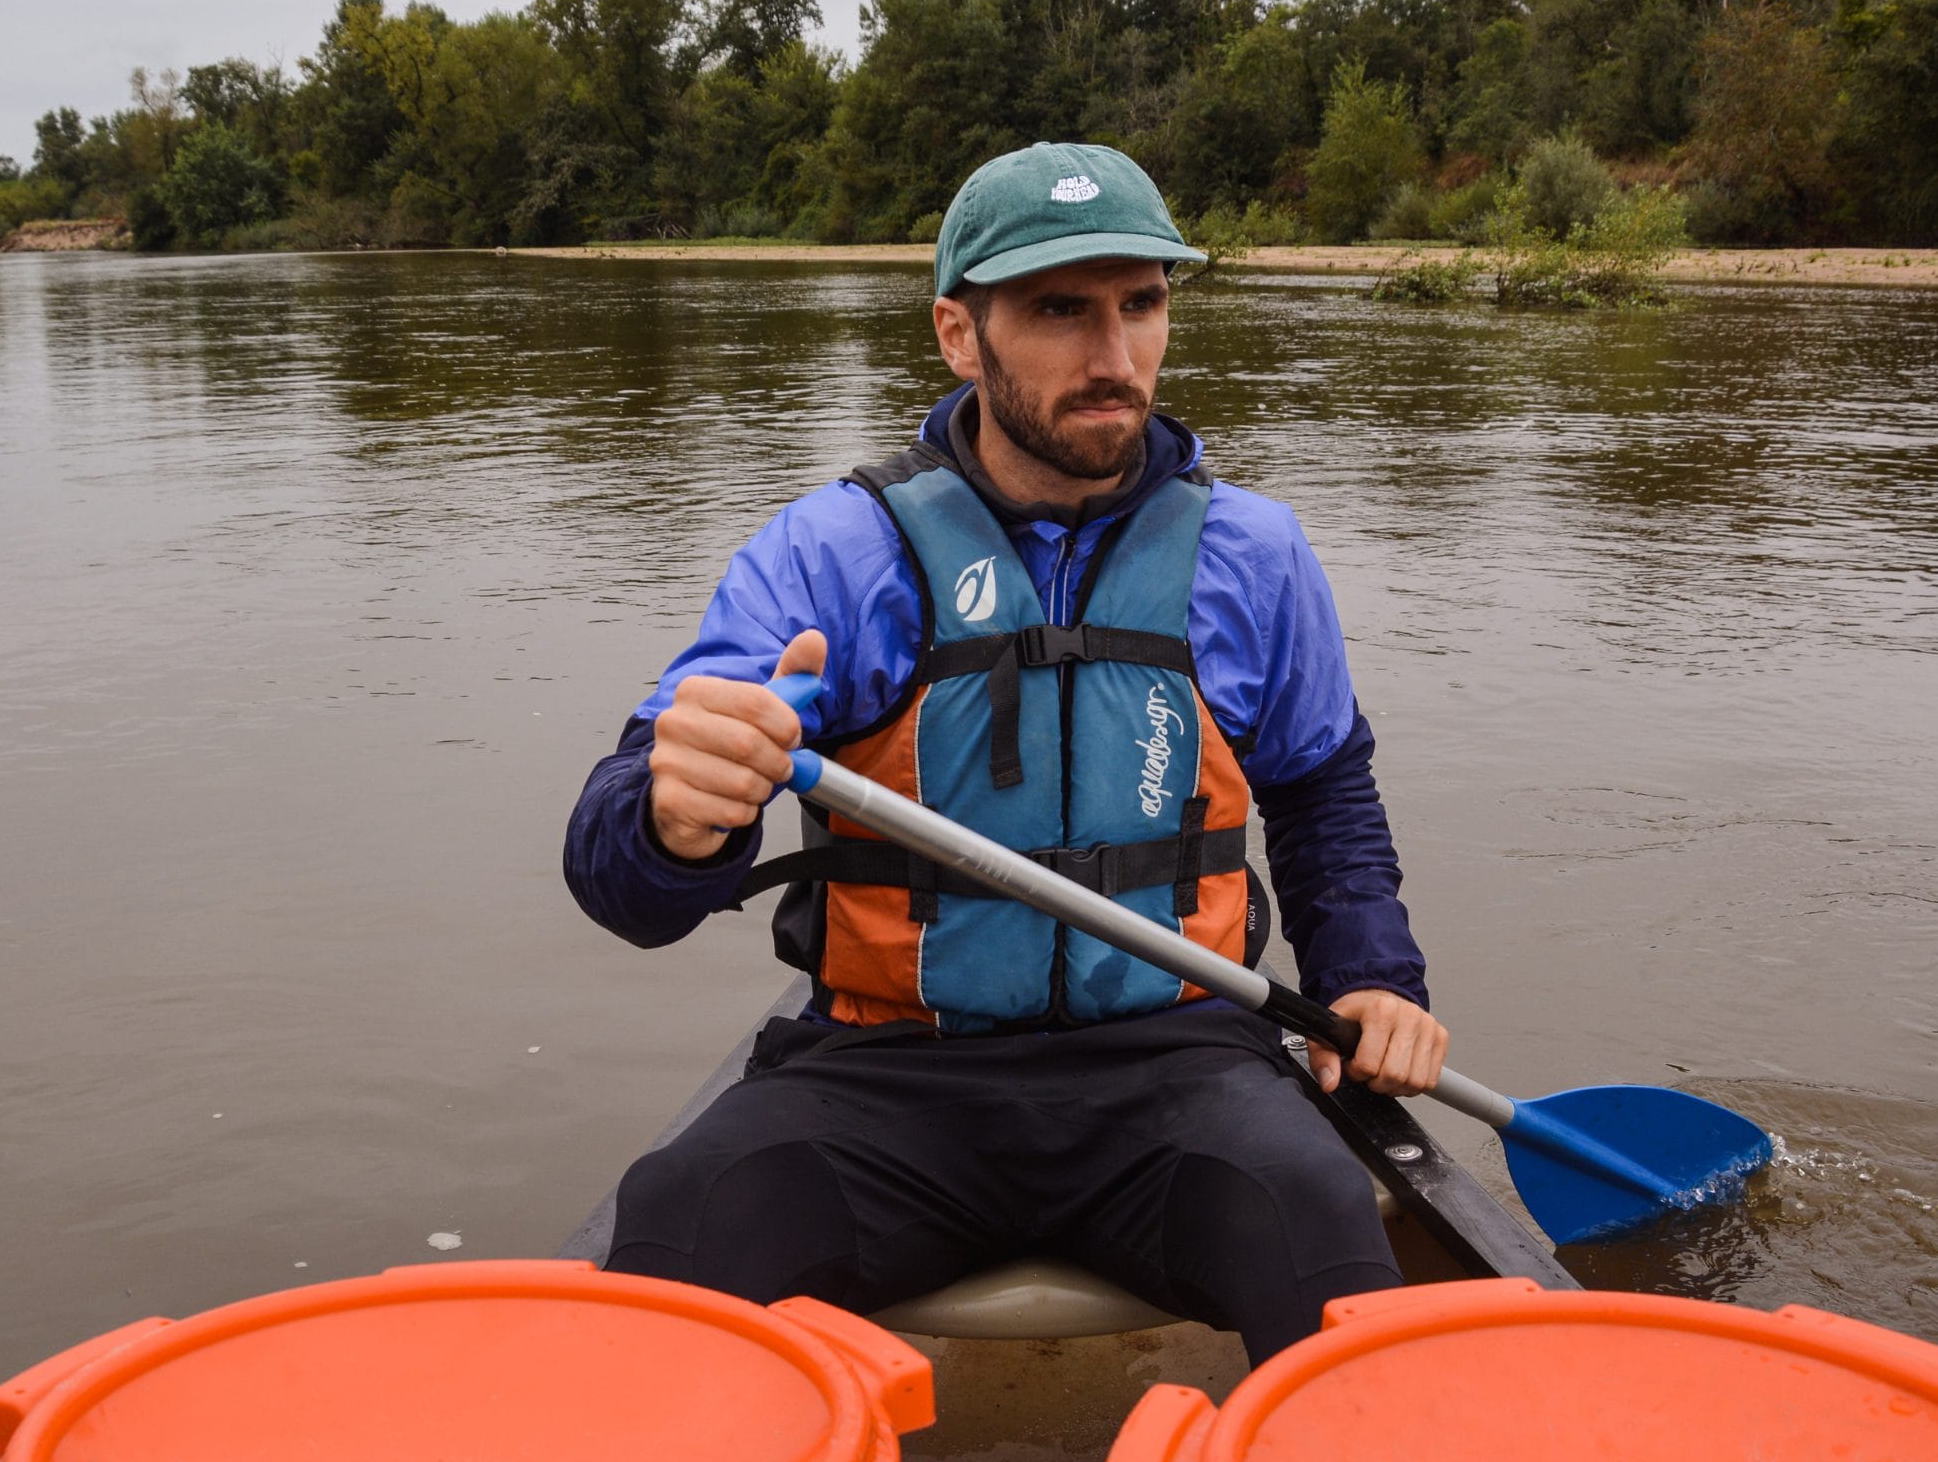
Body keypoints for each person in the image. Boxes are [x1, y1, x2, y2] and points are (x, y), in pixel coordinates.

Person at [562, 141, 1448, 1363]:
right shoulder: (834, 554)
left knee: (1333, 1239)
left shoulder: (1254, 552)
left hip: (1180, 1064)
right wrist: (672, 818)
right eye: (1058, 311)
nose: (1114, 355)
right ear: (957, 333)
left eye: (1141, 305)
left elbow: (1320, 791)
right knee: (678, 1224)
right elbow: (625, 891)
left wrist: (1372, 978)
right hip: (885, 1076)